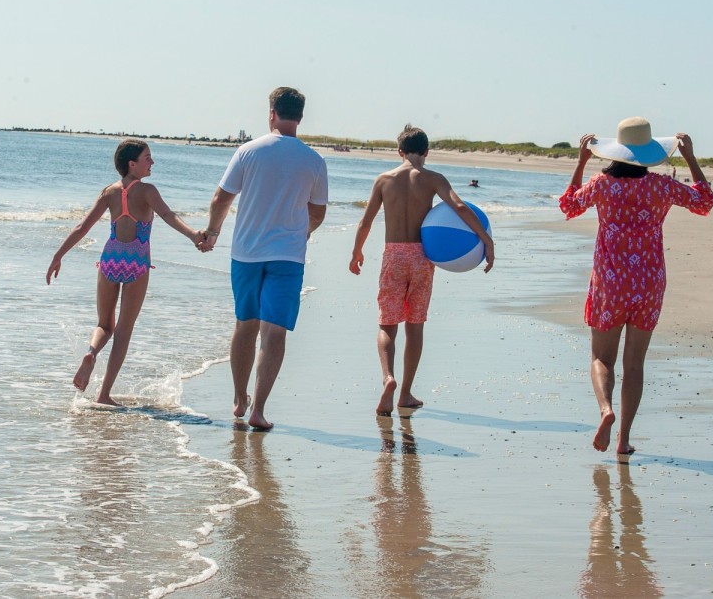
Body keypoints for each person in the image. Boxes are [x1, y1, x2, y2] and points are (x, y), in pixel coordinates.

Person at [560, 117, 713, 456]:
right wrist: (690, 158)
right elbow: (705, 202)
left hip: (610, 280)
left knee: (602, 357)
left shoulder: (602, 184)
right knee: (635, 364)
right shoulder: (661, 186)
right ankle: (624, 440)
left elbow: (569, 206)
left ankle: (605, 410)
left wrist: (581, 162)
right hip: (648, 282)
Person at [198, 87, 329, 429]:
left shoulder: (248, 151)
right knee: (275, 332)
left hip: (246, 253)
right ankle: (258, 410)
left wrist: (212, 233)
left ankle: (240, 398)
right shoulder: (314, 160)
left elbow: (220, 199)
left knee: (245, 325)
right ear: (299, 117)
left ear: (272, 112)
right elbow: (317, 212)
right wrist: (305, 232)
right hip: (288, 256)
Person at [46, 139, 206, 405]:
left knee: (103, 324)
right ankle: (104, 394)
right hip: (136, 263)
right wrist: (194, 236)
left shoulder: (109, 192)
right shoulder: (147, 191)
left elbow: (82, 228)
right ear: (132, 164)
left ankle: (91, 352)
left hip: (109, 261)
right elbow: (168, 216)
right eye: (147, 158)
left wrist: (58, 256)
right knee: (123, 329)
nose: (152, 162)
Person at [349, 125, 495, 416]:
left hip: (394, 255)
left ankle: (388, 377)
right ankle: (405, 393)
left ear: (399, 151)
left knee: (387, 323)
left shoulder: (383, 180)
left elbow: (365, 222)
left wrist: (356, 252)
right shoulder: (433, 179)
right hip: (423, 257)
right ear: (426, 152)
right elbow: (460, 207)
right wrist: (486, 240)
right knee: (415, 326)